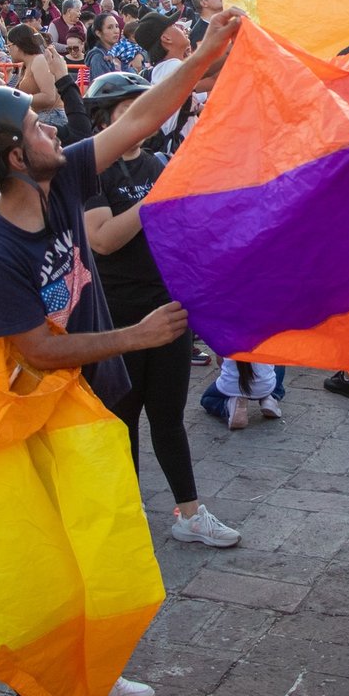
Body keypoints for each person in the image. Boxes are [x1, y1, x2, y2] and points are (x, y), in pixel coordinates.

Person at [0, 6, 244, 696]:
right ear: (13, 157)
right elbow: (39, 351)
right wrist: (138, 336)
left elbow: (137, 121)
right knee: (55, 570)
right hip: (37, 426)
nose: (57, 133)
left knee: (100, 553)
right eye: (40, 129)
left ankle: (92, 672)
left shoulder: (58, 181)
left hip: (88, 409)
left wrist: (206, 53)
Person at [80, 72, 240, 549]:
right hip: (118, 317)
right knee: (121, 419)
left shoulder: (154, 163)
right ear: (106, 118)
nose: (139, 117)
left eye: (142, 106)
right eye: (126, 108)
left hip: (168, 307)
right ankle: (126, 516)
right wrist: (157, 199)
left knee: (168, 416)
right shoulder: (90, 169)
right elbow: (103, 239)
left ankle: (190, 513)